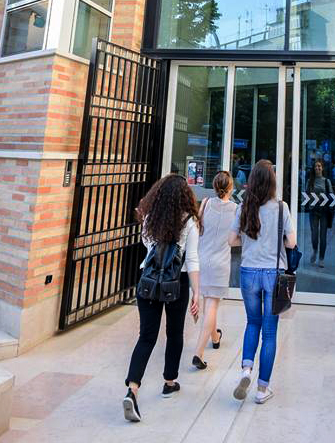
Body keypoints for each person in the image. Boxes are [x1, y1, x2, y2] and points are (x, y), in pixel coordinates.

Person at [123, 174, 201, 423]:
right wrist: (197, 292)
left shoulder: (149, 217)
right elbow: (192, 259)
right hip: (176, 282)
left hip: (148, 281)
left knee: (146, 336)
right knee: (174, 333)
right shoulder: (189, 221)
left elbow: (148, 247)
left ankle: (132, 389)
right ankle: (169, 381)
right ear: (184, 196)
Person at [233, 160, 295, 405]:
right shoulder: (281, 207)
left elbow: (231, 241)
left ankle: (246, 369)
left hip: (248, 271)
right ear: (272, 182)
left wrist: (250, 242)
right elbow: (291, 242)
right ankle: (262, 389)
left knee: (252, 323)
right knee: (269, 332)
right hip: (273, 274)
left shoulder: (244, 207)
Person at [190, 171, 238, 370]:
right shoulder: (235, 209)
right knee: (211, 306)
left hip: (202, 259)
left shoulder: (206, 203)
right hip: (220, 263)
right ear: (230, 187)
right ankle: (198, 353)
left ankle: (215, 337)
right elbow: (237, 237)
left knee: (209, 304)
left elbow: (198, 228)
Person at [306, 158, 335, 267]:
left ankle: (321, 258)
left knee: (323, 236)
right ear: (313, 168)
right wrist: (312, 199)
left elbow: (331, 195)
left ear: (322, 168)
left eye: (319, 166)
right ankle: (314, 250)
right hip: (313, 210)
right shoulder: (310, 181)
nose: (317, 168)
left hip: (324, 211)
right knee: (314, 234)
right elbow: (306, 195)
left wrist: (322, 198)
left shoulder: (327, 181)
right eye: (315, 166)